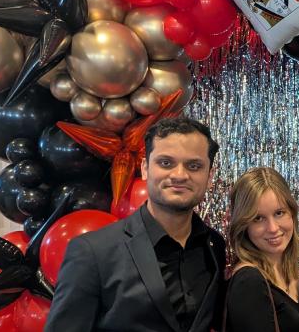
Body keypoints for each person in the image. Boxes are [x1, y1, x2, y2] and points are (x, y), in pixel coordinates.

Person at [45, 117, 227, 332]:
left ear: (210, 175)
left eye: (194, 165)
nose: (180, 175)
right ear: (145, 168)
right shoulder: (92, 252)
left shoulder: (214, 246)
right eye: (166, 163)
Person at [225, 167, 299, 332]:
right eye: (258, 218)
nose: (273, 228)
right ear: (244, 225)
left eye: (279, 213)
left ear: (292, 213)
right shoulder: (249, 281)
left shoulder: (291, 276)